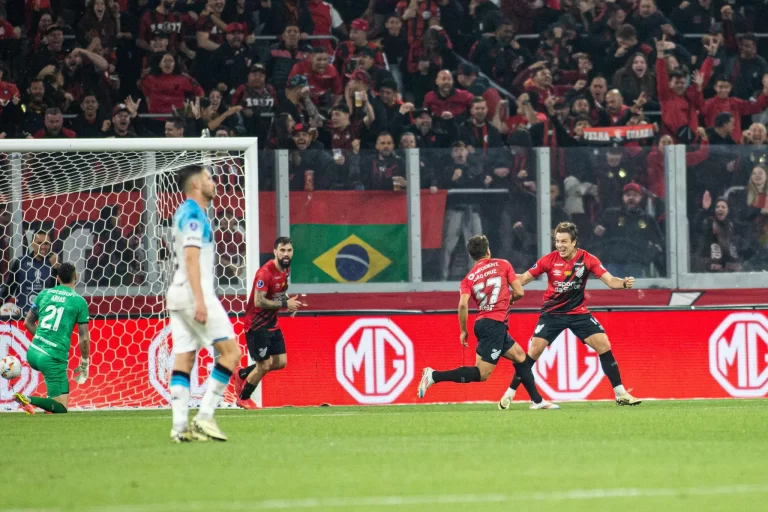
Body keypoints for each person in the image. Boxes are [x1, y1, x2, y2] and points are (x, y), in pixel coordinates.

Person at [499, 222, 642, 408]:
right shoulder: (548, 260)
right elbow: (524, 278)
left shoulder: (588, 259)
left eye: (564, 241)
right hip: (552, 313)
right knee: (533, 352)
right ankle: (509, 395)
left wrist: (623, 283)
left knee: (604, 344)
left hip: (578, 313)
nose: (560, 245)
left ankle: (621, 394)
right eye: (557, 241)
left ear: (574, 242)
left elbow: (610, 281)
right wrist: (502, 281)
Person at [417, 235, 557, 410]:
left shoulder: (468, 278)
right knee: (482, 374)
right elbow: (520, 292)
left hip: (482, 323)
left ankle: (537, 401)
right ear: (488, 250)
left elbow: (462, 304)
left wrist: (463, 330)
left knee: (521, 357)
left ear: (471, 256)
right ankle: (434, 376)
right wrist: (509, 299)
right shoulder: (503, 264)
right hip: (494, 324)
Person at [164, 165, 242, 442]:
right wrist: (200, 300)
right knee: (232, 353)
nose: (213, 183)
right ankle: (206, 415)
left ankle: (179, 427)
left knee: (185, 357)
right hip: (193, 293)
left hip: (177, 293)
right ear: (197, 183)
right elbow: (191, 258)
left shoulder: (184, 212)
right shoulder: (194, 214)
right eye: (209, 178)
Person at [232, 237, 304, 409]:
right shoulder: (265, 273)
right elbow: (258, 301)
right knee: (263, 365)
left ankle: (242, 374)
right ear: (275, 251)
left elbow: (279, 291)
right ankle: (243, 397)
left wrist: (288, 301)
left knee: (280, 362)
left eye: (289, 250)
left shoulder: (286, 269)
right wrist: (286, 304)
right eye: (282, 250)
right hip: (257, 326)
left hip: (272, 323)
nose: (286, 254)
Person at [13, 263, 90, 415]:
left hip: (34, 352)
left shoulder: (43, 294)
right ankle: (28, 399)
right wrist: (85, 362)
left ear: (57, 278)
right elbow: (84, 338)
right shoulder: (79, 302)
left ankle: (47, 406)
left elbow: (27, 322)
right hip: (52, 358)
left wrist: (43, 339)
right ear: (76, 276)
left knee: (55, 393)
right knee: (61, 408)